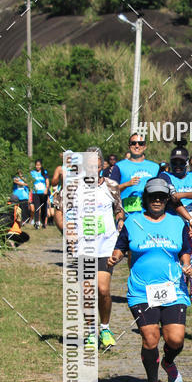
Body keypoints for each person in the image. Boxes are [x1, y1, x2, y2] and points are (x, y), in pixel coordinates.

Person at [108, 178, 192, 382]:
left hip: (173, 288)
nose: (157, 200)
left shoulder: (177, 223)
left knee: (175, 339)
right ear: (146, 198)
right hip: (141, 291)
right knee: (150, 337)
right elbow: (121, 246)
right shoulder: (133, 222)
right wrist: (115, 258)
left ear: (167, 200)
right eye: (153, 196)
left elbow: (185, 248)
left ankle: (168, 361)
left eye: (162, 197)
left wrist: (186, 264)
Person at [159, 147, 192, 343]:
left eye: (182, 163)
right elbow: (170, 201)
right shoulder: (164, 177)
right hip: (173, 230)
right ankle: (169, 319)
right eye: (175, 163)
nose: (178, 166)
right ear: (170, 163)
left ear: (187, 163)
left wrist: (181, 195)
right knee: (174, 275)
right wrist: (187, 215)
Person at [78, 147, 125, 349]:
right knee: (88, 290)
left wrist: (120, 222)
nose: (93, 167)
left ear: (101, 165)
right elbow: (58, 210)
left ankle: (104, 328)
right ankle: (90, 332)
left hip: (106, 245)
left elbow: (119, 210)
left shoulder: (111, 186)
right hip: (83, 246)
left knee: (103, 289)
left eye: (96, 164)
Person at [108, 134, 160, 214]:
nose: (137, 146)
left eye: (140, 143)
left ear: (145, 146)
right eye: (133, 143)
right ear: (129, 146)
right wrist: (126, 184)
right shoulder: (119, 166)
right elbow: (110, 190)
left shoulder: (155, 167)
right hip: (127, 213)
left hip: (150, 214)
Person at [30, 159, 49, 229]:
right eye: (36, 165)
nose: (38, 166)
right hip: (36, 192)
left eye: (39, 165)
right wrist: (31, 191)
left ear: (41, 165)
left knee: (44, 208)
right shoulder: (32, 173)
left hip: (43, 193)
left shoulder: (44, 172)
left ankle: (44, 222)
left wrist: (46, 189)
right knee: (37, 208)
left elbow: (47, 181)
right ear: (35, 165)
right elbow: (31, 182)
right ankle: (37, 222)